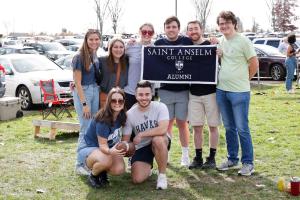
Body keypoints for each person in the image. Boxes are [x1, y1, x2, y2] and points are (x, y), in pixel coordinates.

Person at [215, 11, 259, 176]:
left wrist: (244, 80)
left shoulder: (243, 41)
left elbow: (254, 63)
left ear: (234, 23)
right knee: (229, 128)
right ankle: (232, 159)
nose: (224, 26)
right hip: (222, 90)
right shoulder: (221, 41)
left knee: (242, 128)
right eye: (221, 23)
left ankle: (247, 163)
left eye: (227, 22)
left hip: (239, 92)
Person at [154, 16, 193, 167]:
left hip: (183, 90)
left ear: (178, 28)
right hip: (165, 90)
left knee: (182, 123)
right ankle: (166, 153)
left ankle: (185, 155)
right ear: (164, 29)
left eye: (174, 27)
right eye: (168, 27)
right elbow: (148, 56)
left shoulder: (187, 42)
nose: (171, 29)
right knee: (167, 124)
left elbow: (202, 50)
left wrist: (214, 42)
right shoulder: (158, 44)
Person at [186, 20, 221, 169]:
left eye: (196, 28)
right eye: (190, 29)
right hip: (194, 94)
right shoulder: (185, 47)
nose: (193, 31)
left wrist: (218, 46)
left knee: (213, 126)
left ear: (201, 29)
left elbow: (221, 62)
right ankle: (198, 157)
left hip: (211, 92)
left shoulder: (210, 46)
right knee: (197, 127)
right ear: (187, 32)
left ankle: (212, 158)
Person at [122, 80, 170, 190]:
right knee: (137, 179)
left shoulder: (160, 106)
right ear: (136, 95)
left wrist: (141, 134)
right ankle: (148, 166)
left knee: (157, 140)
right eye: (141, 94)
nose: (144, 98)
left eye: (147, 94)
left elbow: (163, 129)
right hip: (142, 147)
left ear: (152, 93)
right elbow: (126, 139)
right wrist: (126, 148)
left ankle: (162, 176)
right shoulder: (130, 114)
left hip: (161, 141)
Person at [77, 87, 127, 188]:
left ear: (124, 102)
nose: (117, 103)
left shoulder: (121, 116)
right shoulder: (103, 119)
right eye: (113, 100)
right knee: (106, 158)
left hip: (103, 150)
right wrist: (111, 152)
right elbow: (103, 145)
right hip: (88, 149)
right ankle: (93, 175)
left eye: (120, 100)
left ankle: (102, 172)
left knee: (119, 169)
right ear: (109, 101)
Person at [72, 29, 101, 175]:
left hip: (95, 90)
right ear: (86, 40)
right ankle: (79, 164)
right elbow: (77, 82)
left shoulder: (94, 54)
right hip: (83, 92)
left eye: (97, 39)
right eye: (91, 39)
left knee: (93, 128)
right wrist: (84, 105)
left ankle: (89, 160)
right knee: (85, 128)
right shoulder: (79, 57)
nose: (94, 42)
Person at [124, 23, 155, 110]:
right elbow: (115, 52)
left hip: (148, 92)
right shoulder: (131, 46)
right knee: (129, 119)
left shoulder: (156, 48)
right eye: (144, 32)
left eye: (150, 32)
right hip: (131, 90)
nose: (147, 34)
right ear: (139, 32)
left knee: (146, 120)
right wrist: (126, 44)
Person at [99, 38, 128, 107]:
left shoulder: (127, 61)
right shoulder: (102, 61)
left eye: (121, 47)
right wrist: (76, 81)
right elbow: (90, 71)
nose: (118, 49)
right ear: (110, 48)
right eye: (115, 47)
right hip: (105, 98)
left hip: (120, 98)